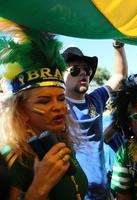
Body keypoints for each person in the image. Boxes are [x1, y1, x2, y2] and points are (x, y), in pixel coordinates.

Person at [0, 19, 87, 199]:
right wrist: (39, 187)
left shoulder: (61, 140)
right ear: (21, 111)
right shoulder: (12, 161)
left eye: (61, 98)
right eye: (44, 101)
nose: (57, 107)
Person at [62, 41, 128, 199]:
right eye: (76, 70)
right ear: (60, 75)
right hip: (77, 194)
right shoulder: (58, 107)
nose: (83, 73)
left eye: (87, 69)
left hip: (104, 192)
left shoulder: (96, 99)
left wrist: (118, 46)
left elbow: (119, 76)